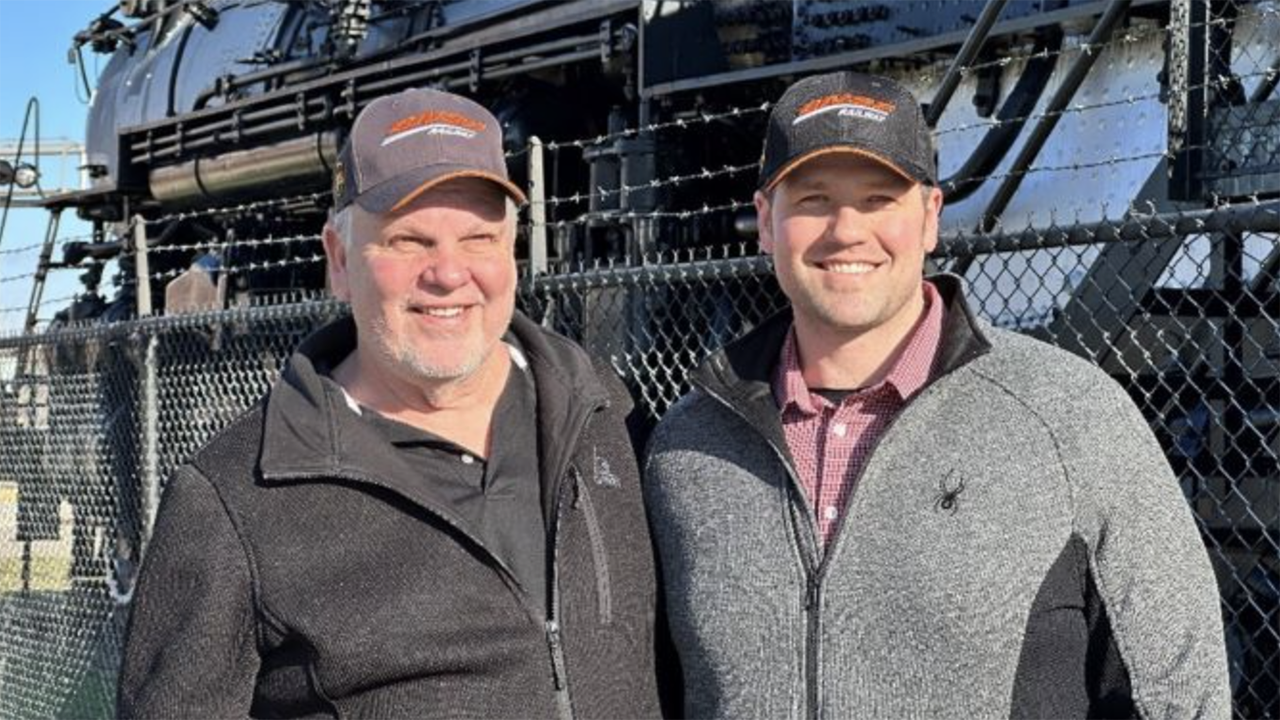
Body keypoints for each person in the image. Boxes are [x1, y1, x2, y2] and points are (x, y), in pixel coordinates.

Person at [643, 71, 1230, 718]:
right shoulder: (687, 445)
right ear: (764, 221)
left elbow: (1178, 689)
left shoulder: (1070, 418)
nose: (846, 230)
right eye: (812, 199)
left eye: (878, 199)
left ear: (929, 217)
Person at [119, 88, 665, 719]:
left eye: (479, 238)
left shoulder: (610, 420)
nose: (448, 273)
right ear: (339, 259)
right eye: (409, 241)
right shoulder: (233, 499)